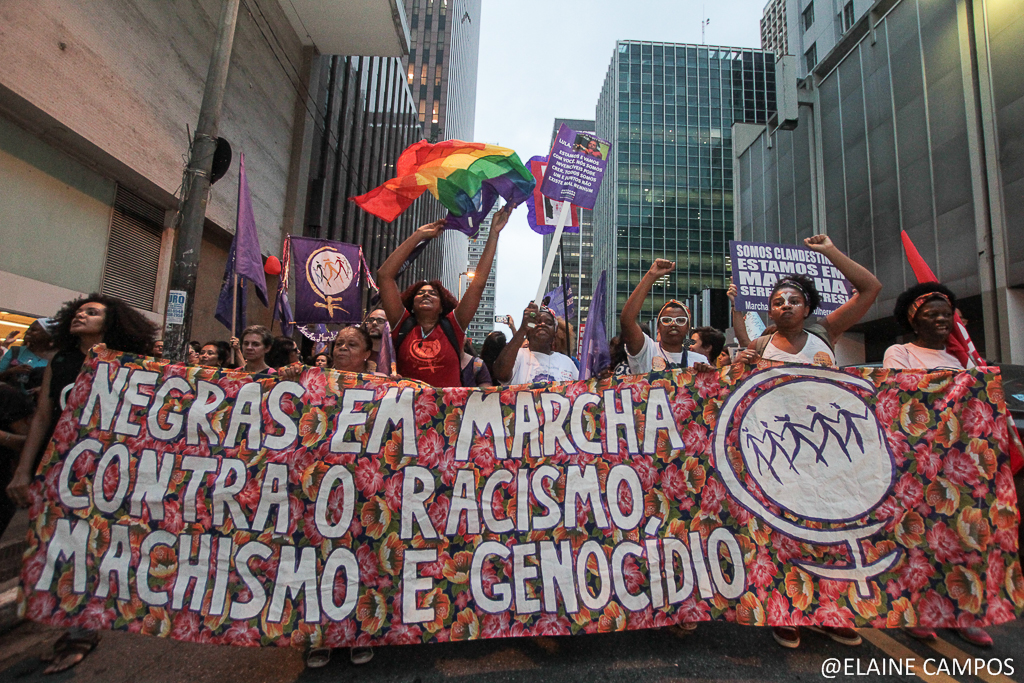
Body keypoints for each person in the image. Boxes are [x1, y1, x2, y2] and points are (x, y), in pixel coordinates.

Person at [732, 236, 880, 650]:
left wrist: (831, 251)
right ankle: (786, 611)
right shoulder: (760, 346)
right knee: (783, 537)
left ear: (808, 309)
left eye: (793, 300)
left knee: (829, 533)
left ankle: (830, 613)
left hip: (829, 455)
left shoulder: (826, 333)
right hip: (776, 457)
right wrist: (740, 366)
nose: (784, 305)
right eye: (777, 301)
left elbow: (870, 290)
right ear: (771, 310)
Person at [7, 294, 156, 674]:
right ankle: (66, 621)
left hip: (108, 475)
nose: (80, 315)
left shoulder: (128, 366)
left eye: (91, 312)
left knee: (93, 549)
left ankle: (80, 631)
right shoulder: (61, 361)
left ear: (110, 324)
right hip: (60, 470)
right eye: (77, 311)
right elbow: (42, 417)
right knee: (58, 545)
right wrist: (24, 471)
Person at [882, 282, 992, 648]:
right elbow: (902, 397)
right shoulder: (899, 353)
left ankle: (965, 612)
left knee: (964, 538)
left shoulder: (961, 361)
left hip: (957, 464)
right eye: (932, 315)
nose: (942, 320)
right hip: (916, 462)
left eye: (946, 314)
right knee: (918, 539)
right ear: (914, 321)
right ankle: (917, 611)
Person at [376, 205, 512, 387]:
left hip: (449, 413)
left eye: (433, 294)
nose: (426, 295)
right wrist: (418, 235)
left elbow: (478, 285)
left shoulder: (453, 326)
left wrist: (494, 234)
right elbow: (385, 276)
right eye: (420, 293)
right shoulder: (401, 323)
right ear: (411, 303)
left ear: (441, 306)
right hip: (408, 412)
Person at [621, 259, 708, 373]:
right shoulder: (647, 350)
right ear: (658, 327)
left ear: (687, 328)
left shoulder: (700, 360)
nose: (673, 324)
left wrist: (708, 374)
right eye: (666, 320)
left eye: (680, 320)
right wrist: (651, 275)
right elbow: (627, 321)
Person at [493, 303, 579, 385]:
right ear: (528, 329)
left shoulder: (567, 363)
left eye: (549, 323)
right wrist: (522, 329)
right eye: (537, 322)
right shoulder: (517, 355)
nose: (542, 324)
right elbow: (501, 374)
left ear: (555, 332)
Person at [0, 318, 56, 396]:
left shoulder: (55, 359)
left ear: (47, 335)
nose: (28, 332)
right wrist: (11, 371)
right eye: (29, 329)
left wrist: (42, 389)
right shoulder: (15, 351)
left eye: (34, 330)